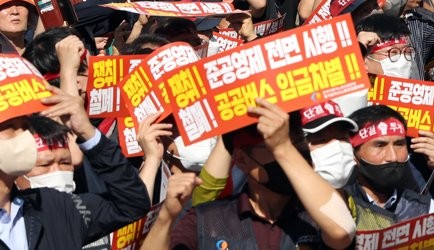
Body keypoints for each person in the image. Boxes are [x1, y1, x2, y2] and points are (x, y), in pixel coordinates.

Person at [147, 98, 355, 250]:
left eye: (296, 143)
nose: (287, 154)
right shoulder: (208, 219)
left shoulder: (317, 215)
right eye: (271, 146)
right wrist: (166, 217)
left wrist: (282, 147)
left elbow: (342, 232)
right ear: (243, 161)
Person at [0, 92, 151, 249]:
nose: (23, 135)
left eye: (25, 127)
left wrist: (87, 132)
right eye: (8, 127)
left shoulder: (56, 205)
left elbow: (132, 203)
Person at [342, 105, 434, 230]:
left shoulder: (426, 210)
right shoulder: (339, 206)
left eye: (399, 144)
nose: (392, 157)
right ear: (353, 153)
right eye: (380, 145)